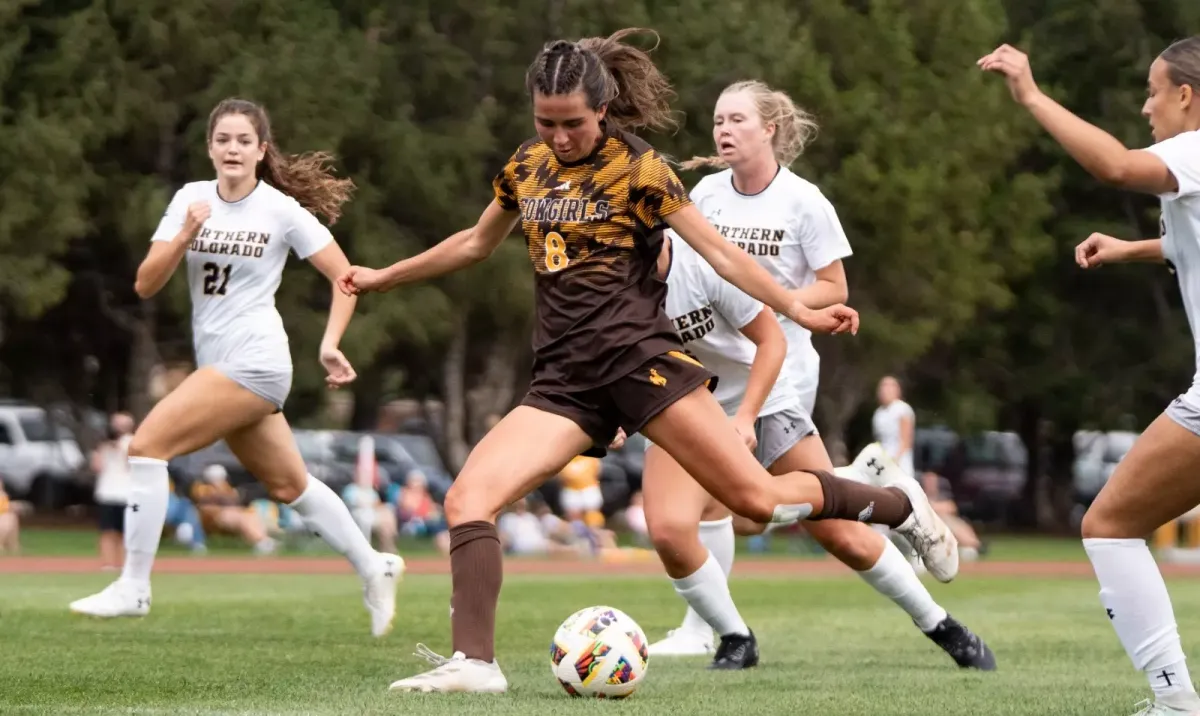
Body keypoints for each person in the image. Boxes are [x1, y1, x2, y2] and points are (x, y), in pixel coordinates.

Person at [340, 28, 958, 694]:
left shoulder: (640, 168)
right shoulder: (526, 166)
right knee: (469, 498)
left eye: (573, 123)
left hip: (642, 366)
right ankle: (477, 666)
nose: (559, 136)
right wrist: (383, 277)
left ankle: (895, 505)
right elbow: (472, 243)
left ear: (601, 110)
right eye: (546, 122)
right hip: (564, 382)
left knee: (758, 499)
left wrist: (798, 309)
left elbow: (722, 255)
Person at [68, 97, 403, 637]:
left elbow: (347, 278)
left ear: (261, 150)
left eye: (244, 140)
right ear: (210, 147)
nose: (232, 148)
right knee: (290, 485)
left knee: (148, 446)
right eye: (223, 139)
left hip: (258, 360)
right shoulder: (190, 199)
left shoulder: (280, 210)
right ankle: (375, 564)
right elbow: (145, 284)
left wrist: (329, 343)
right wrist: (183, 235)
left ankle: (133, 587)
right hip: (219, 363)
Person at [646, 229, 993, 670]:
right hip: (684, 406)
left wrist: (746, 416)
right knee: (674, 530)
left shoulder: (705, 261)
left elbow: (773, 342)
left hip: (763, 400)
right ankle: (735, 638)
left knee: (839, 533)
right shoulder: (611, 279)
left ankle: (941, 624)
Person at [982, 36, 1200, 715]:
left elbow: (1112, 166)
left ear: (1187, 96)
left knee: (1109, 524)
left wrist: (1031, 94)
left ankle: (1174, 701)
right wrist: (1131, 247)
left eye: (1153, 91)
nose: (1145, 106)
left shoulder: (1192, 149)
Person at [91, 412, 136, 570]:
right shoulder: (102, 444)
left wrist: (120, 449)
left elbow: (130, 464)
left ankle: (125, 564)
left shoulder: (133, 442)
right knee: (108, 531)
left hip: (127, 493)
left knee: (127, 532)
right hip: (108, 492)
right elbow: (97, 467)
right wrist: (102, 450)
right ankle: (108, 563)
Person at [873, 376, 917, 475]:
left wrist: (896, 460)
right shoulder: (878, 413)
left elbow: (906, 440)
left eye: (890, 387)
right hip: (882, 461)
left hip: (900, 462)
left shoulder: (902, 409)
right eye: (883, 387)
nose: (885, 390)